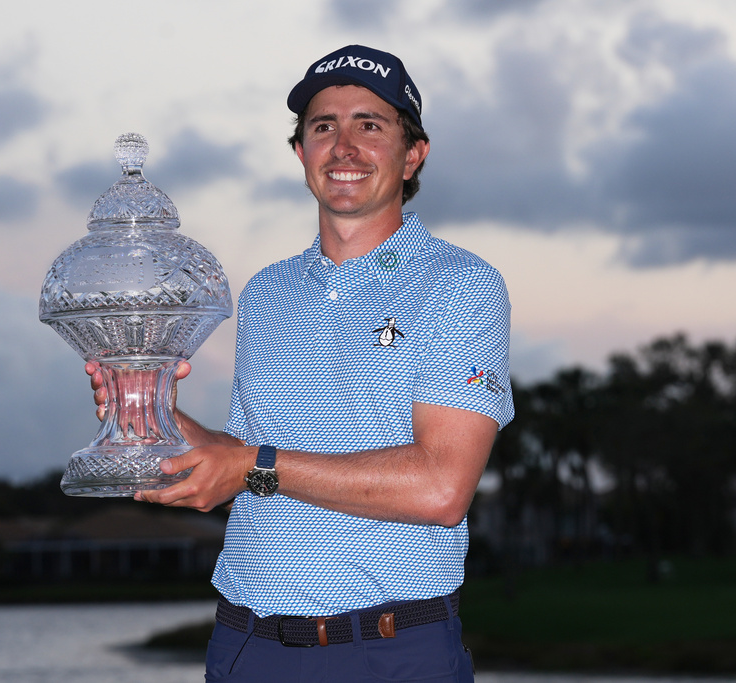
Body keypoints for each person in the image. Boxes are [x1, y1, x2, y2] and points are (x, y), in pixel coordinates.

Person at [88, 44, 513, 682]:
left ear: (413, 154)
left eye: (370, 124)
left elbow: (441, 488)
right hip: (245, 644)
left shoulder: (459, 286)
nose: (344, 146)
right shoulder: (264, 294)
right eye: (323, 127)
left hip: (389, 650)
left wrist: (254, 465)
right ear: (300, 155)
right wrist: (152, 410)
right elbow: (245, 462)